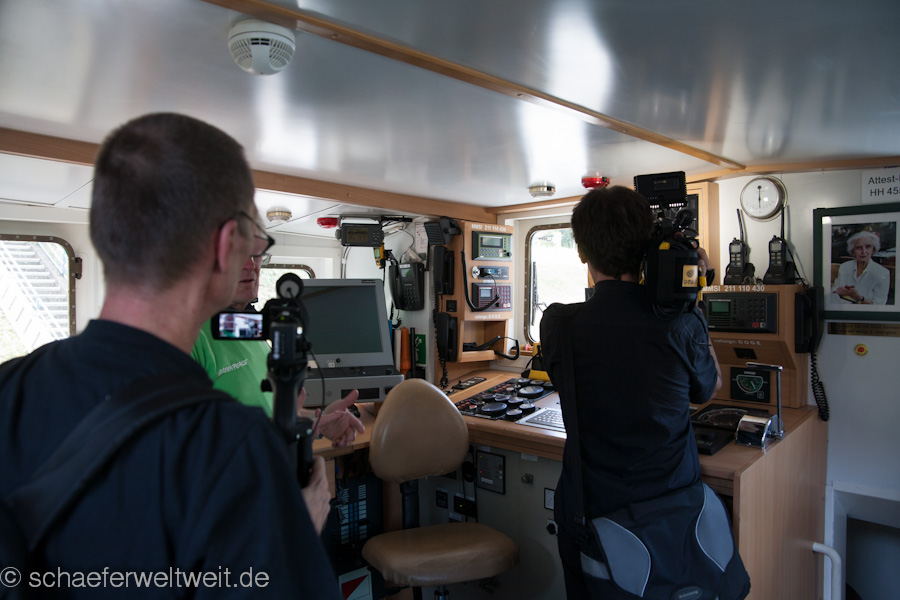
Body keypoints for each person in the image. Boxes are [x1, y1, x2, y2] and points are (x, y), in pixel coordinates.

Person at [0, 113, 340, 598]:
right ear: (225, 246)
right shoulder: (231, 447)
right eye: (253, 238)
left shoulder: (8, 388)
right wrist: (296, 534)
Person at [540, 186, 723, 599]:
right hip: (667, 516)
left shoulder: (557, 324)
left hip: (589, 514)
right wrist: (691, 297)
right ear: (645, 249)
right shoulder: (680, 323)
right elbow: (709, 389)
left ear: (581, 252)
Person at [191, 248, 365, 447]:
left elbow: (271, 413)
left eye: (256, 253)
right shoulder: (190, 336)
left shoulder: (252, 327)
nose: (250, 264)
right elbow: (185, 444)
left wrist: (320, 422)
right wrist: (278, 435)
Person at [831, 230, 891, 305]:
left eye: (868, 247)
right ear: (853, 252)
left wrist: (860, 298)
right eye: (859, 248)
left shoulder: (883, 273)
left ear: (873, 250)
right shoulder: (845, 267)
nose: (863, 251)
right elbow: (834, 290)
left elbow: (879, 305)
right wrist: (840, 292)